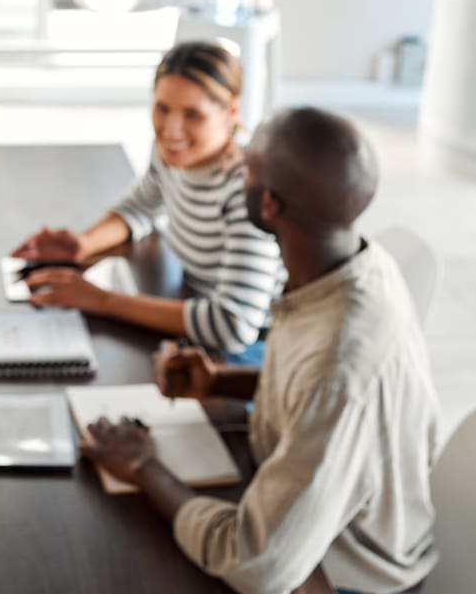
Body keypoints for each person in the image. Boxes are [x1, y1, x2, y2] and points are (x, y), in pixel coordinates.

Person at [82, 108, 438, 594]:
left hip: (341, 574)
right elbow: (317, 399)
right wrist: (221, 380)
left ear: (269, 205)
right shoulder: (359, 266)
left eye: (246, 166)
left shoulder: (340, 366)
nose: (234, 165)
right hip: (316, 519)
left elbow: (257, 563)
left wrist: (142, 467)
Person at [12, 41, 282, 364]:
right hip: (196, 306)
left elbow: (233, 324)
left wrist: (103, 301)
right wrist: (82, 245)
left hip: (253, 352)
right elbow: (141, 207)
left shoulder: (245, 188)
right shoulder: (173, 156)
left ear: (232, 112)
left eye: (193, 115)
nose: (171, 130)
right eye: (163, 108)